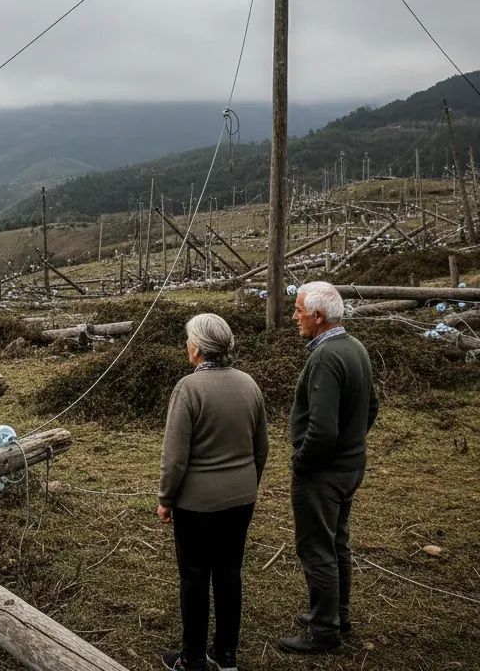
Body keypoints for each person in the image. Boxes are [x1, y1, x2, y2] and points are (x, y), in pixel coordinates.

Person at [158, 313, 269, 671]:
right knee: (229, 572)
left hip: (197, 504)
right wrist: (248, 483)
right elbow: (262, 447)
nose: (187, 345)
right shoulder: (249, 384)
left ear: (197, 349)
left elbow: (174, 457)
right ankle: (226, 656)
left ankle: (192, 659)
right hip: (241, 499)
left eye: (189, 339)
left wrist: (165, 498)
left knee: (193, 577)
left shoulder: (188, 389)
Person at [279, 281, 379, 655]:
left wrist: (302, 462)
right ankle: (336, 614)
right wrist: (352, 444)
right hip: (350, 466)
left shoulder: (325, 358)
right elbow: (372, 407)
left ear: (318, 317)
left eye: (298, 310)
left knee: (316, 547)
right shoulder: (355, 348)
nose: (294, 317)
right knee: (337, 542)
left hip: (323, 473)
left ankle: (324, 631)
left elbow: (321, 430)